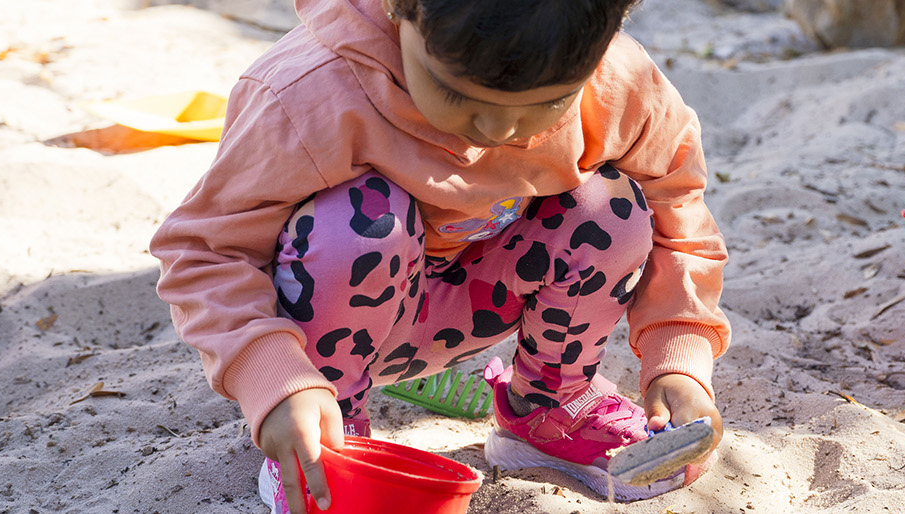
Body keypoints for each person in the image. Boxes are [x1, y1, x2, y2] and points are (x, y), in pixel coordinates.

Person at [149, 0, 730, 511]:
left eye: (547, 103)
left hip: (477, 302)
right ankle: (329, 434)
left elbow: (678, 214)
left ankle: (548, 406)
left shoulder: (619, 86)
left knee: (615, 209)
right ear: (402, 9)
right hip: (331, 330)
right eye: (455, 93)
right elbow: (205, 250)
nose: (498, 127)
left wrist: (679, 360)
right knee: (362, 215)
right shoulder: (310, 94)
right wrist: (276, 381)